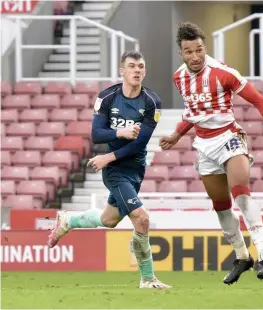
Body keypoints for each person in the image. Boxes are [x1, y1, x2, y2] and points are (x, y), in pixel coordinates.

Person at [159, 22, 263, 285]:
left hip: (230, 138)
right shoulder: (179, 77)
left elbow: (259, 100)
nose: (195, 56)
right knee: (221, 207)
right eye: (189, 52)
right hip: (204, 146)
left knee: (242, 196)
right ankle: (242, 257)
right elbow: (194, 112)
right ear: (181, 53)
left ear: (205, 48)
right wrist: (177, 134)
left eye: (199, 50)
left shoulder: (223, 73)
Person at [47, 51, 170, 289]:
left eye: (141, 67)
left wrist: (109, 154)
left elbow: (140, 143)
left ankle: (68, 220)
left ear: (145, 71)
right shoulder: (107, 98)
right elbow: (96, 134)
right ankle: (147, 279)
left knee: (109, 219)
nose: (137, 70)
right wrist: (118, 135)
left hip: (136, 168)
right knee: (142, 219)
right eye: (132, 66)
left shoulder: (152, 102)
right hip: (115, 170)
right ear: (121, 71)